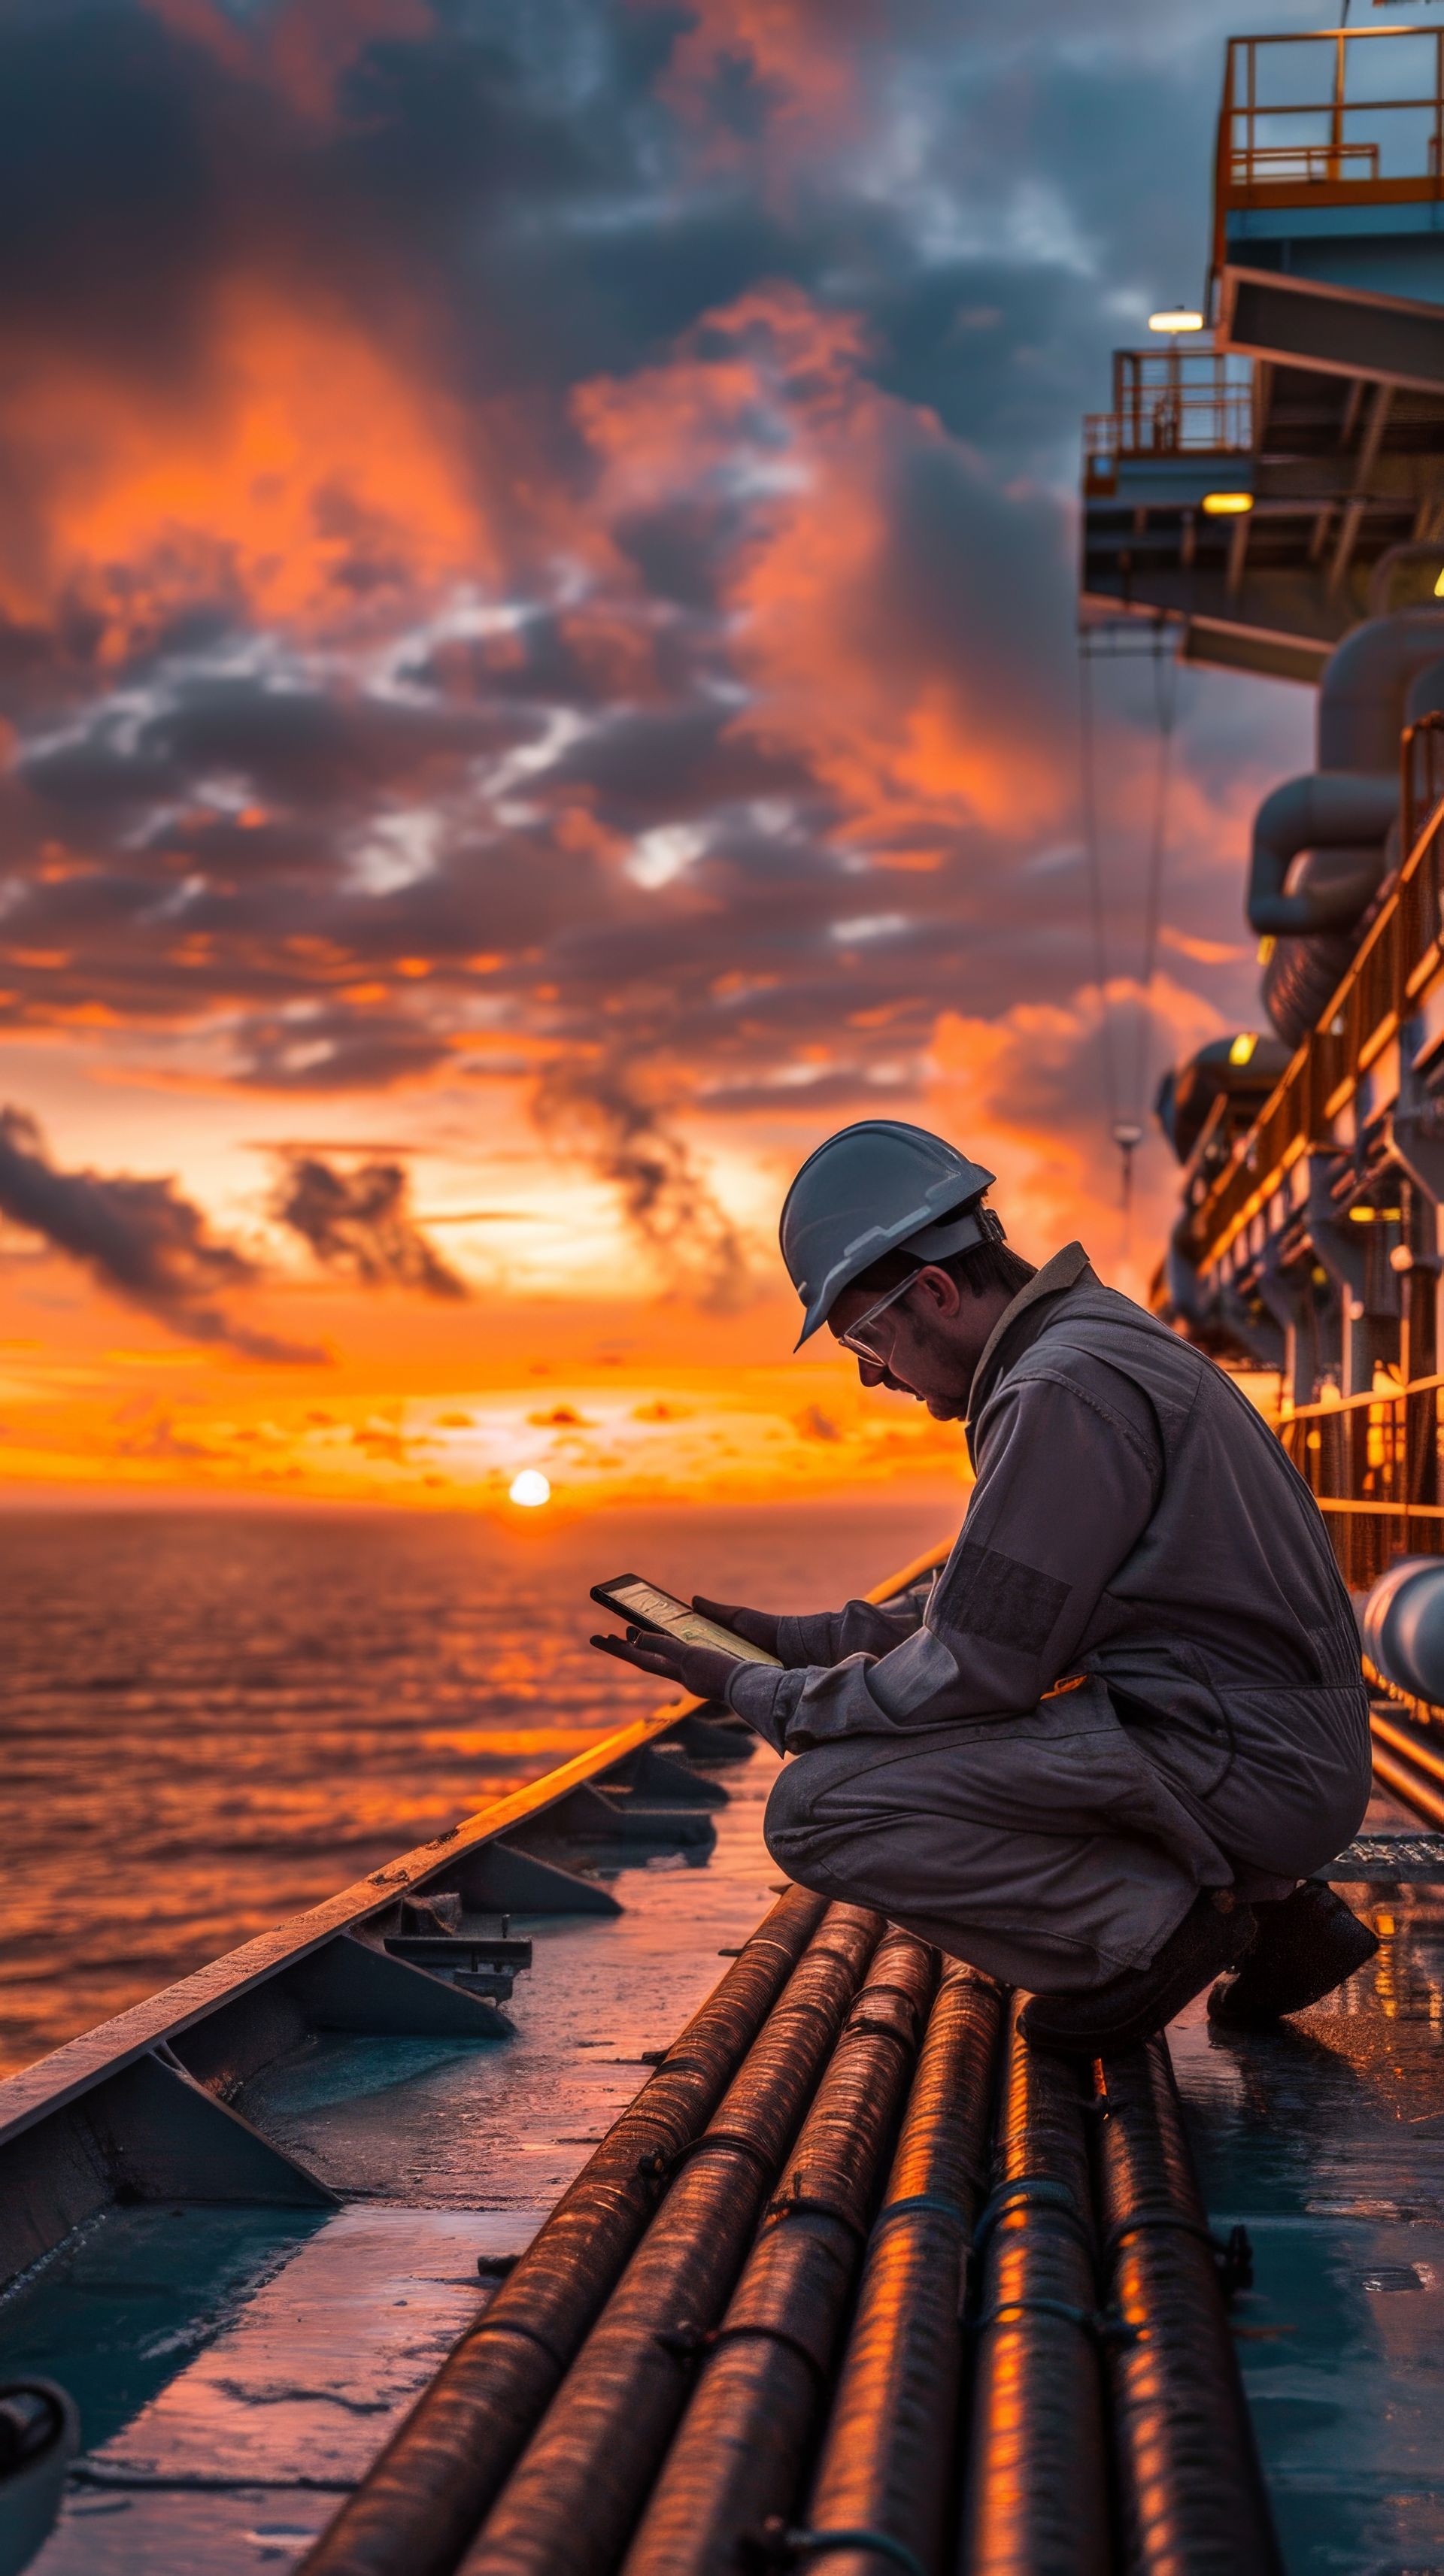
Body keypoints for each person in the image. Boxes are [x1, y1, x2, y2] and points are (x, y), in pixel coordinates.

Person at [593, 1118, 1378, 2053]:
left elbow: (974, 1668)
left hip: (1244, 1761)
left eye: (868, 1347)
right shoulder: (1092, 1345)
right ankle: (1280, 1913)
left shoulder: (1060, 1390)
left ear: (934, 1289)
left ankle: (1150, 1938)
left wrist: (753, 1689)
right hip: (1263, 1746)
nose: (873, 1381)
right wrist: (796, 1639)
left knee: (820, 1807)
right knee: (940, 1731)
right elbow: (1004, 1605)